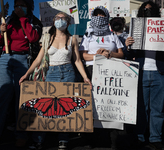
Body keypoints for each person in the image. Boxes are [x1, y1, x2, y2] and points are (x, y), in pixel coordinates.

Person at [19, 11, 91, 150]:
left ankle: (63, 139)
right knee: (45, 108)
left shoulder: (72, 39)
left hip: (68, 73)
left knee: (65, 109)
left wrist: (85, 77)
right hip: (51, 73)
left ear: (68, 22)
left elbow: (76, 60)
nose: (60, 20)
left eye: (63, 18)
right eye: (58, 18)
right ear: (53, 21)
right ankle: (38, 139)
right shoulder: (47, 38)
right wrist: (27, 74)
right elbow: (39, 59)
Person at [0, 0, 42, 147]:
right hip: (5, 58)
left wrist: (22, 19)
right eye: (17, 5)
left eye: (22, 5)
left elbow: (33, 38)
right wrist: (2, 33)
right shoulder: (8, 20)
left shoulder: (34, 21)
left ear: (28, 7)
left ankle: (21, 134)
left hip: (23, 58)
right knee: (0, 96)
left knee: (21, 99)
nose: (19, 7)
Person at [79, 6, 124, 149]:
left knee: (109, 104)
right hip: (92, 70)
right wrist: (97, 56)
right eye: (97, 15)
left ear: (107, 17)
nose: (100, 17)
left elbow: (121, 54)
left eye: (102, 15)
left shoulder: (113, 36)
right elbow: (82, 55)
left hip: (111, 71)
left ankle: (111, 139)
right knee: (92, 105)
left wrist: (109, 54)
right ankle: (91, 139)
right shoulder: (88, 35)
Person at [125, 1, 164, 149]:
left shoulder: (161, 28)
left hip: (159, 73)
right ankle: (140, 137)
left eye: (150, 10)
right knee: (141, 108)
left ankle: (155, 138)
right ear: (141, 12)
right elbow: (130, 53)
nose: (147, 12)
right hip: (141, 72)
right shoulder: (136, 28)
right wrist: (128, 45)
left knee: (158, 109)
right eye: (145, 10)